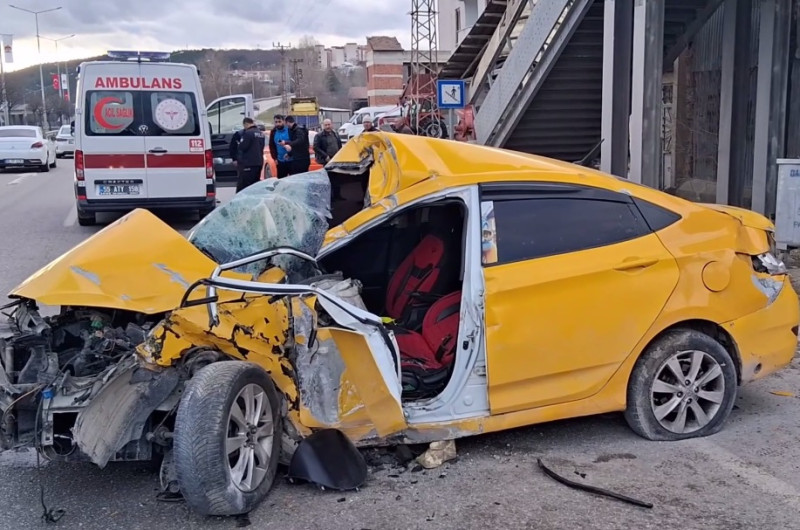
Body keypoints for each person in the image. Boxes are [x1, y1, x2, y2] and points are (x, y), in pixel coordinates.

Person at [235, 117, 265, 192]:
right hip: (259, 162)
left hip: (249, 163)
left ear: (246, 124)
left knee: (244, 185)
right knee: (255, 184)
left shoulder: (248, 133)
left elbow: (242, 147)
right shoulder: (261, 133)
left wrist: (239, 144)